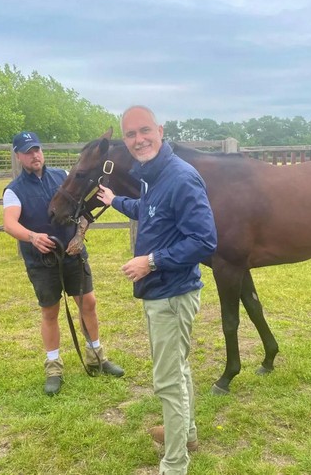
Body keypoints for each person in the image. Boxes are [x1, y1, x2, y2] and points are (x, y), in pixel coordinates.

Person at [97, 106, 217, 475]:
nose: (138, 140)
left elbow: (204, 240)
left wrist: (151, 261)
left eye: (144, 131)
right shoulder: (151, 176)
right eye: (130, 135)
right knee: (177, 369)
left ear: (160, 131)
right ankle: (187, 432)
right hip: (161, 292)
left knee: (167, 379)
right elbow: (150, 210)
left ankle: (175, 462)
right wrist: (114, 201)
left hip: (171, 293)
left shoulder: (180, 178)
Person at [3, 131, 125, 396]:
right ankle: (54, 367)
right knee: (50, 312)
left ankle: (96, 357)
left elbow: (86, 208)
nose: (35, 155)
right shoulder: (14, 190)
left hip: (72, 253)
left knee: (88, 303)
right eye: (28, 151)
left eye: (37, 149)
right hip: (42, 260)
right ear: (19, 156)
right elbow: (9, 223)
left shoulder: (61, 176)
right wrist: (33, 237)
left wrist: (80, 235)